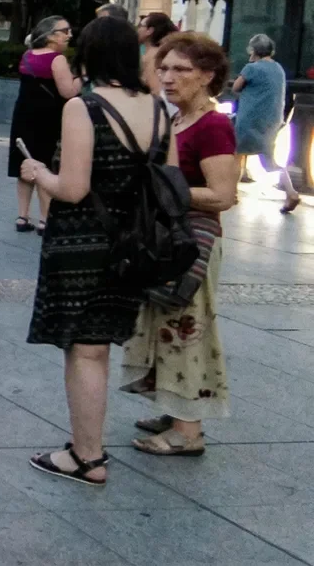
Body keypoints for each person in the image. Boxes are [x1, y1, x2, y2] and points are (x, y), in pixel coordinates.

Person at [20, 15, 170, 487]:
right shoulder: (162, 110)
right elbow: (171, 184)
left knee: (85, 352)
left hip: (83, 243)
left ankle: (87, 456)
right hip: (137, 243)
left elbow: (72, 188)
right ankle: (86, 449)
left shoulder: (84, 107)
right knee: (100, 346)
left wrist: (38, 174)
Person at [122, 32, 237, 456]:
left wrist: (166, 187)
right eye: (164, 68)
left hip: (194, 242)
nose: (168, 78)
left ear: (207, 76)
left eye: (181, 70)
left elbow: (223, 194)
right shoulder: (177, 119)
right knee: (166, 326)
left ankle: (188, 431)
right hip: (169, 238)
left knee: (187, 330)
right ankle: (174, 409)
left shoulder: (213, 124)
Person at [8, 16, 80, 233]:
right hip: (47, 118)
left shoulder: (27, 55)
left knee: (24, 165)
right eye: (64, 31)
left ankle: (22, 216)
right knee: (44, 166)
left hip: (23, 115)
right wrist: (84, 76)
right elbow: (67, 91)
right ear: (50, 35)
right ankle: (44, 219)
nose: (69, 35)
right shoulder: (56, 59)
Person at [232, 34, 300, 213]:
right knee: (270, 161)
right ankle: (291, 192)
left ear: (253, 50)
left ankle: (231, 192)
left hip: (250, 118)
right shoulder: (278, 68)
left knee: (237, 153)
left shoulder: (251, 68)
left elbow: (236, 87)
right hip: (273, 119)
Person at [137, 12, 178, 95]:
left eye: (140, 26)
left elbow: (155, 89)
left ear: (149, 31)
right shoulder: (156, 52)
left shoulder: (154, 56)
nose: (137, 29)